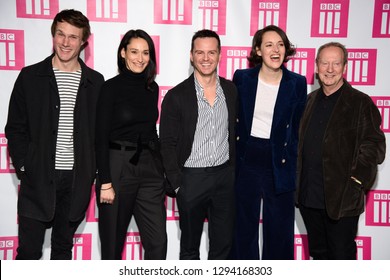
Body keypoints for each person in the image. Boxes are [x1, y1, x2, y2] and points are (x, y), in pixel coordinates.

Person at [4, 9, 104, 260]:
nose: (66, 42)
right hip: (37, 177)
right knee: (28, 251)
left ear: (83, 42)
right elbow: (15, 127)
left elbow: (101, 133)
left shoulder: (96, 82)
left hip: (75, 180)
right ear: (53, 35)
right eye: (61, 34)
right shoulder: (30, 76)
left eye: (73, 37)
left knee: (62, 250)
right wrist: (25, 165)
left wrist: (92, 170)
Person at [296, 42, 386, 260]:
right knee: (318, 256)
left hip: (342, 200)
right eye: (325, 63)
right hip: (309, 197)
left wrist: (356, 182)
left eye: (336, 63)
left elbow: (374, 146)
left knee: (341, 258)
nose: (330, 69)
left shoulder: (360, 102)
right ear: (316, 66)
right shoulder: (309, 101)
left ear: (345, 67)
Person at [159, 29, 238, 260]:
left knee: (223, 247)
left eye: (211, 52)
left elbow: (235, 132)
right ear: (191, 56)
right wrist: (178, 185)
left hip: (224, 177)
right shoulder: (176, 96)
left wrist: (232, 174)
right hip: (191, 180)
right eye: (200, 52)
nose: (206, 58)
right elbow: (167, 144)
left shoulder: (231, 91)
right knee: (190, 248)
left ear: (220, 55)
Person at [231, 25, 307, 260]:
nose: (276, 50)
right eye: (269, 45)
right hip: (247, 158)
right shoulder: (242, 78)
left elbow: (297, 129)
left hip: (280, 160)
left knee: (280, 231)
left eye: (281, 44)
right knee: (243, 229)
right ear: (258, 50)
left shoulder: (297, 82)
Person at [95, 29, 167, 260]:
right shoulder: (110, 88)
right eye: (134, 51)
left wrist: (161, 169)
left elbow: (149, 130)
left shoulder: (152, 87)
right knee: (113, 244)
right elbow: (100, 136)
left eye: (145, 53)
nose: (140, 58)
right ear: (123, 53)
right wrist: (105, 181)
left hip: (149, 168)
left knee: (157, 244)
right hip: (117, 166)